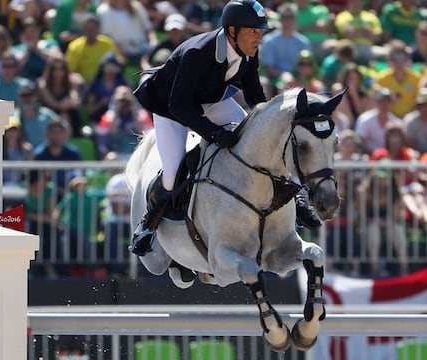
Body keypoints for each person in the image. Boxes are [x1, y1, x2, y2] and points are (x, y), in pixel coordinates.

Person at [132, 0, 321, 257]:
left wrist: (268, 123)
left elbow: (254, 92)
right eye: (253, 31)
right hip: (171, 106)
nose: (259, 37)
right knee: (173, 172)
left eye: (261, 31)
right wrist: (213, 133)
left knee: (260, 142)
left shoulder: (249, 50)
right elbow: (179, 105)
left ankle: (296, 196)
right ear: (232, 31)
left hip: (212, 100)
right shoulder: (198, 53)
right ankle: (148, 223)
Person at [65, 13, 122, 85]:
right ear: (83, 29)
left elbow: (118, 62)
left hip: (106, 82)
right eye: (87, 29)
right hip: (84, 84)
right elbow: (70, 70)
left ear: (99, 29)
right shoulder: (75, 47)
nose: (90, 32)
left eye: (93, 29)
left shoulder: (108, 44)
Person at [260, 2, 311, 82]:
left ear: (296, 19)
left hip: (299, 79)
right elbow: (269, 68)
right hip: (274, 79)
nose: (288, 20)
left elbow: (308, 65)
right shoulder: (269, 40)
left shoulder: (303, 42)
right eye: (285, 17)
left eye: (291, 17)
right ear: (280, 19)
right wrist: (284, 75)